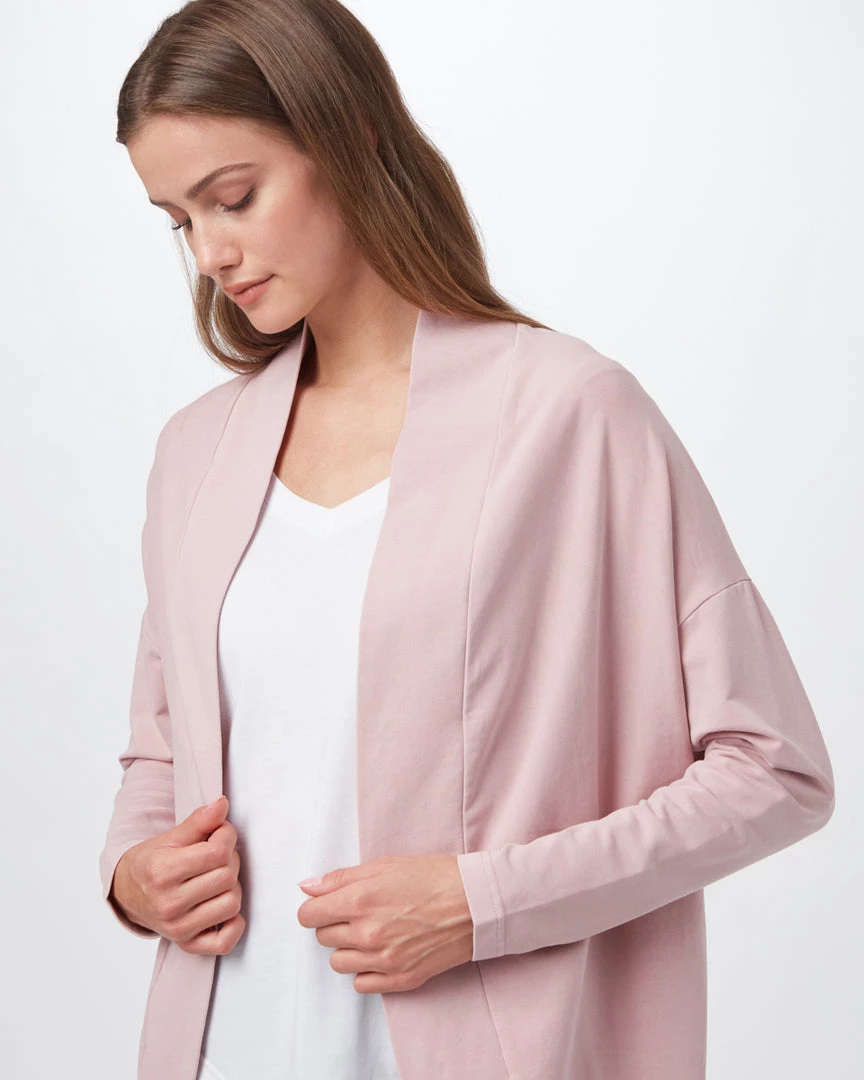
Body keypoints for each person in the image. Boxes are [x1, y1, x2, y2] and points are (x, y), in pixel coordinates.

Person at [99, 3, 836, 1080]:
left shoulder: (570, 414)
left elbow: (774, 770)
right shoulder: (195, 453)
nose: (212, 254)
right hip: (221, 1046)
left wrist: (484, 902)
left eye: (235, 197)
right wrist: (132, 876)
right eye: (179, 221)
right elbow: (160, 756)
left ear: (350, 136)